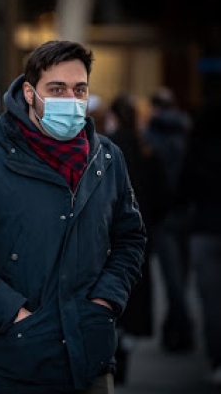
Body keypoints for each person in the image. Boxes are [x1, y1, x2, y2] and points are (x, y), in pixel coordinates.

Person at [0, 40, 147, 394]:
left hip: (88, 354)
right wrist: (13, 315)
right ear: (30, 93)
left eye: (79, 89)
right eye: (56, 89)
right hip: (7, 361)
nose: (70, 99)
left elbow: (130, 237)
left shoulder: (107, 159)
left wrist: (105, 300)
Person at [104, 93, 168, 384]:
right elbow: (162, 193)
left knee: (115, 297)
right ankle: (125, 350)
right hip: (142, 234)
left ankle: (117, 352)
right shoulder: (144, 148)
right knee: (135, 295)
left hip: (111, 235)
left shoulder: (108, 148)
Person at [142, 86, 195, 354]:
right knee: (180, 279)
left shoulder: (150, 137)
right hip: (187, 215)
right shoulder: (187, 134)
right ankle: (176, 329)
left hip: (164, 218)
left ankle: (180, 330)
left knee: (172, 279)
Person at [175, 99, 221, 386]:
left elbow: (183, 190)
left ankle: (218, 360)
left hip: (205, 231)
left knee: (211, 301)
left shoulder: (199, 147)